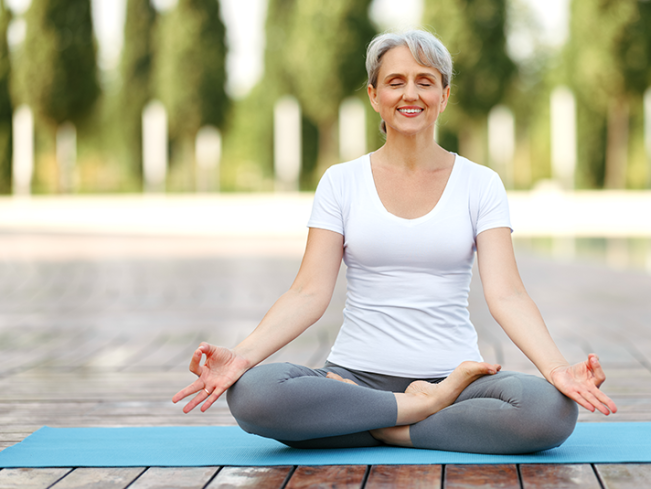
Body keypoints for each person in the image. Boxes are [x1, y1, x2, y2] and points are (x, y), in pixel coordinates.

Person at [172, 30, 617, 455]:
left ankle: (380, 426)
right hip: (353, 378)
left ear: (444, 96)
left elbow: (507, 294)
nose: (410, 94)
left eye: (425, 82)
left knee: (549, 412)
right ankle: (421, 412)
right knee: (252, 395)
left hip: (456, 382)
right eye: (395, 82)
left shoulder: (480, 184)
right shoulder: (341, 182)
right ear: (374, 96)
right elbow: (308, 292)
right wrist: (242, 357)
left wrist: (557, 369)